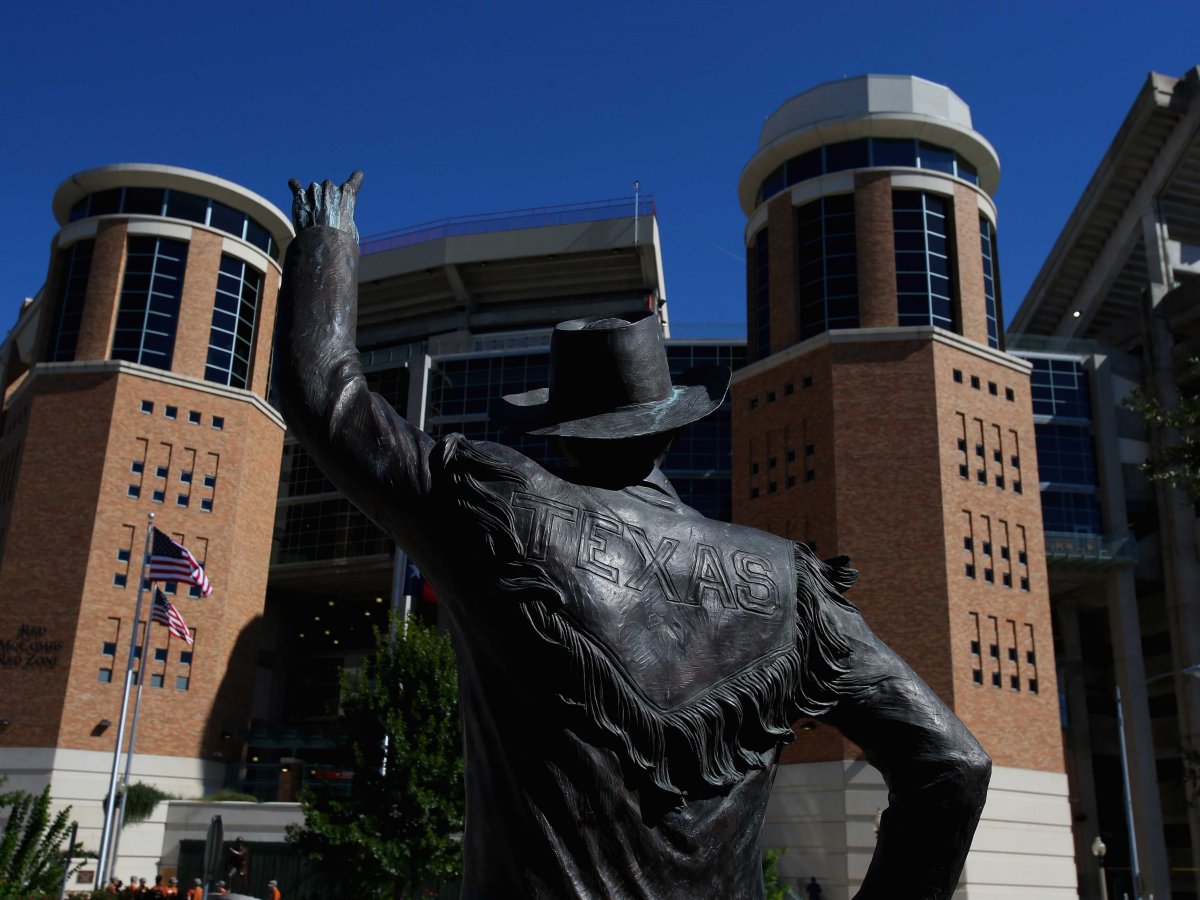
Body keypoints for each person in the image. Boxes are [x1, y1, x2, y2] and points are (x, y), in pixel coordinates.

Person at [277, 174, 991, 899]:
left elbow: (326, 392)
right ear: (669, 427)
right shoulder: (789, 584)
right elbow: (953, 766)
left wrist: (325, 239)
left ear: (560, 429)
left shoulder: (493, 509)